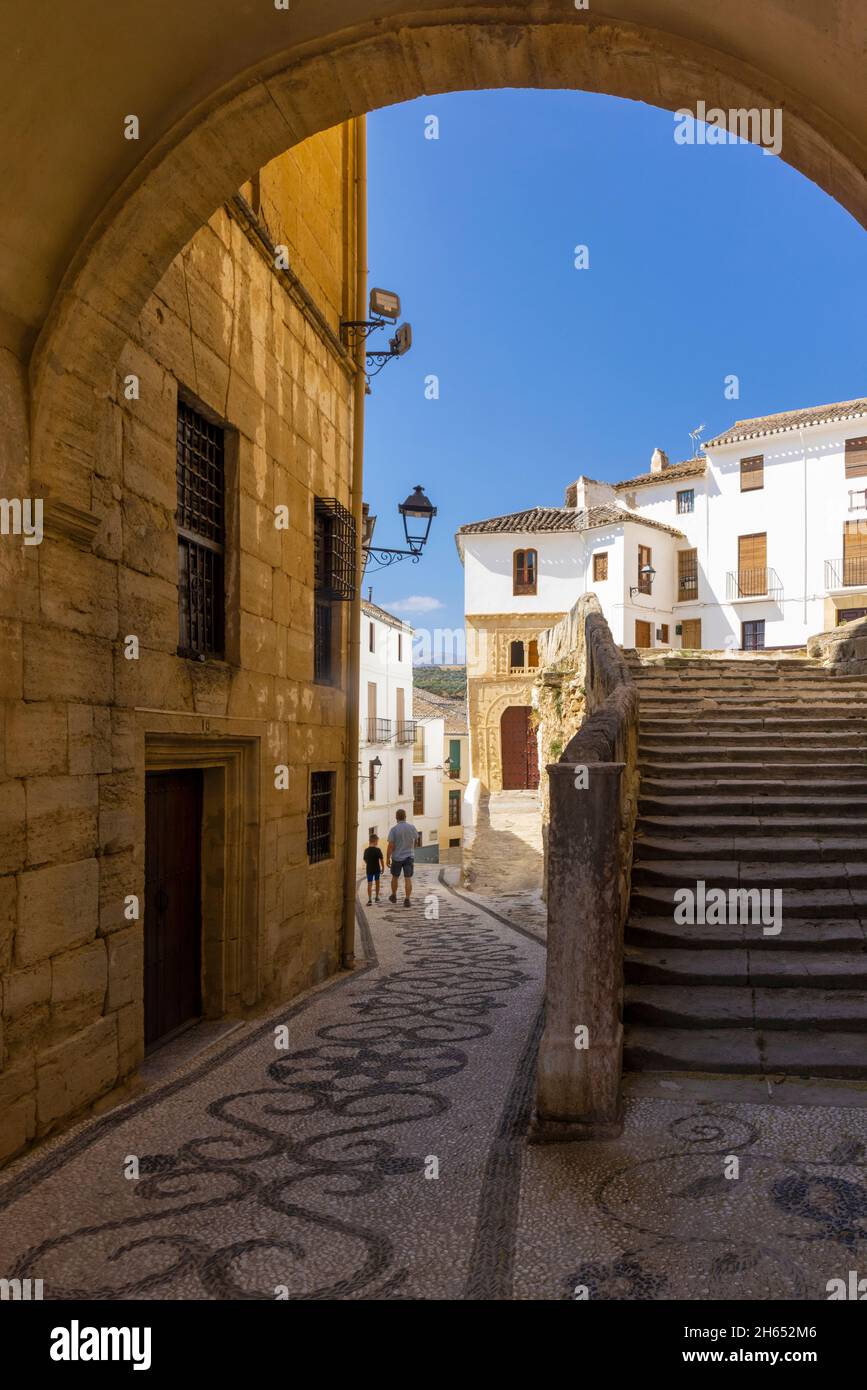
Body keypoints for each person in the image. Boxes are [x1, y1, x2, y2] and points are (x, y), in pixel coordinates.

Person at [386, 808, 418, 907]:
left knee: (395, 877)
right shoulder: (412, 827)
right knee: (408, 878)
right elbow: (416, 839)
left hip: (397, 857)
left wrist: (387, 858)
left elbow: (391, 845)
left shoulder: (394, 830)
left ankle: (394, 895)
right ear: (405, 816)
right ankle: (407, 899)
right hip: (409, 856)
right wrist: (412, 849)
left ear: (396, 817)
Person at [362, 833, 384, 905]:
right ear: (374, 841)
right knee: (377, 883)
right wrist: (383, 867)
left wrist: (369, 863)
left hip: (369, 869)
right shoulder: (378, 850)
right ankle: (377, 897)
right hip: (377, 869)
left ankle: (369, 899)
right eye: (377, 841)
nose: (377, 842)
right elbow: (381, 859)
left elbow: (365, 859)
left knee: (369, 884)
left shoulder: (366, 850)